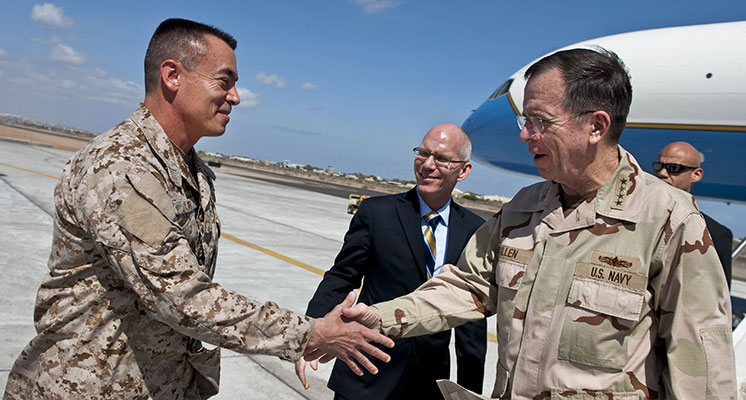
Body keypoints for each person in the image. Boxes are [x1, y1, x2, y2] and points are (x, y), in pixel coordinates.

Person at [3, 18, 392, 400]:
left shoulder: (189, 169)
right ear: (172, 75)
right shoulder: (124, 168)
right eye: (225, 81)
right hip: (90, 386)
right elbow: (181, 296)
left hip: (162, 383)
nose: (236, 97)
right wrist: (309, 334)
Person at [342, 48, 737, 398]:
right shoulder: (524, 208)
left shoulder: (669, 221)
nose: (525, 135)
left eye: (540, 121)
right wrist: (383, 315)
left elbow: (701, 367)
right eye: (524, 120)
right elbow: (469, 286)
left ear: (596, 126)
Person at [296, 123, 487, 399]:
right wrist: (311, 332)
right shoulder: (377, 213)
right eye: (423, 153)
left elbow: (472, 314)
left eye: (441, 158)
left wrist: (470, 391)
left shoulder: (474, 230)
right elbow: (342, 277)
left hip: (429, 382)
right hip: (366, 371)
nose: (427, 165)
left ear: (464, 170)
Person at [653, 141, 733, 288]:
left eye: (674, 168)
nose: (662, 173)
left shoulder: (715, 234)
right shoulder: (631, 218)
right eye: (658, 166)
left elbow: (719, 294)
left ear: (696, 175)